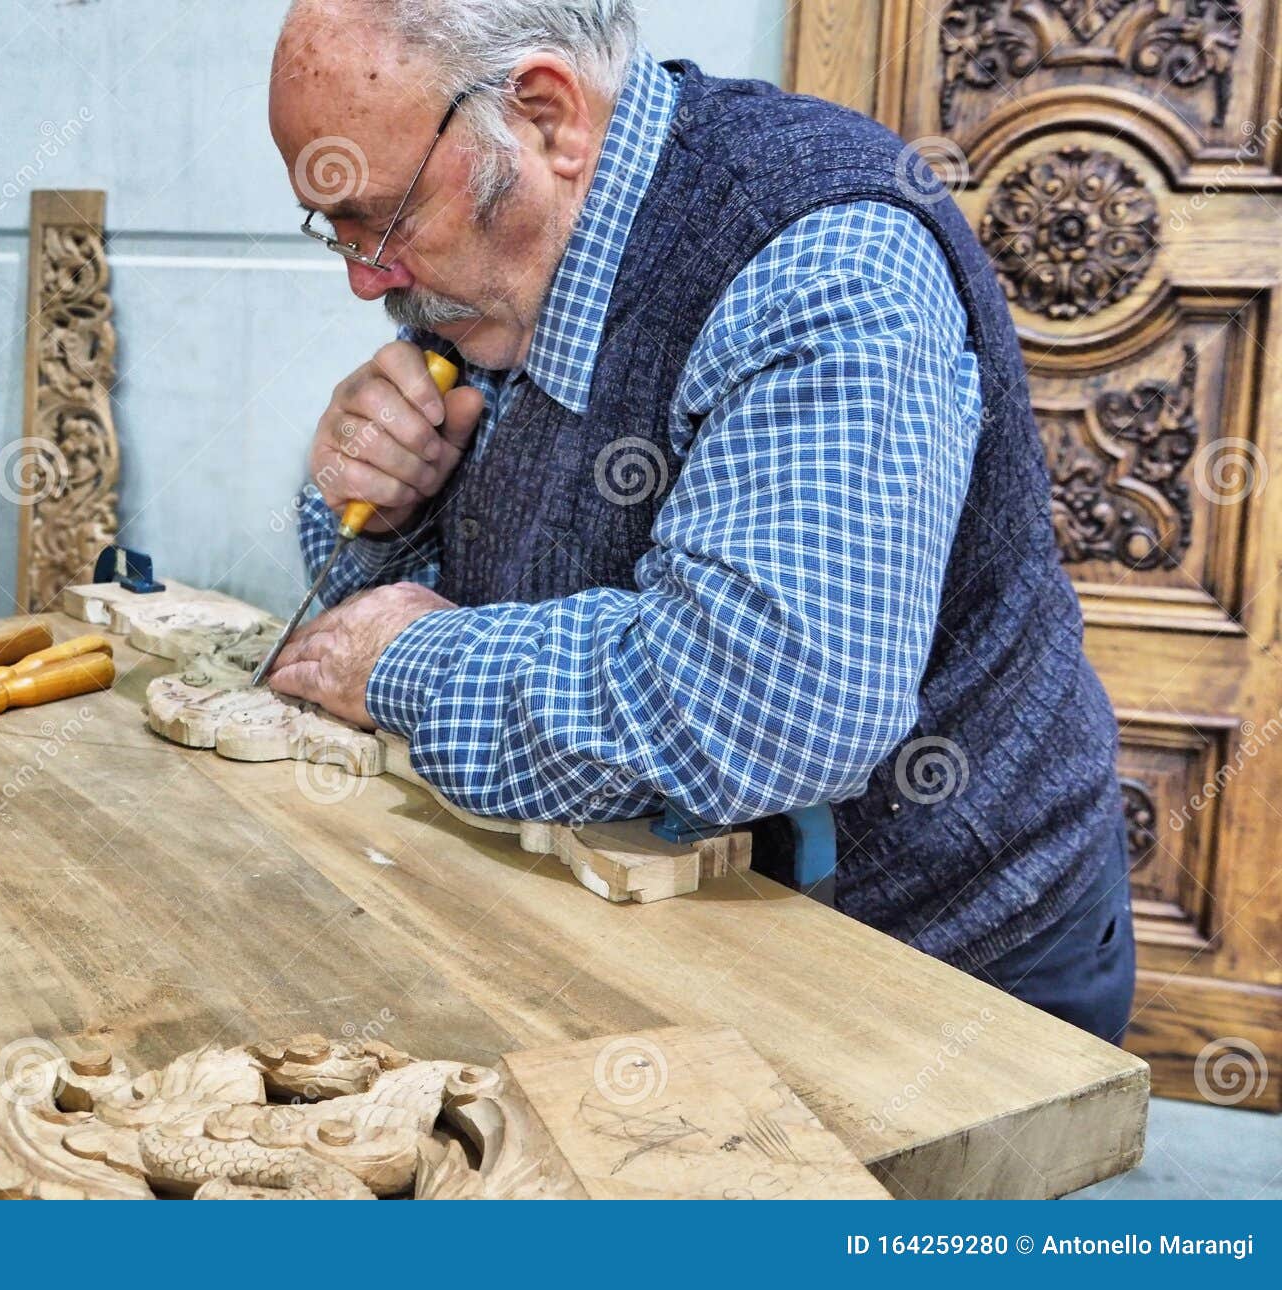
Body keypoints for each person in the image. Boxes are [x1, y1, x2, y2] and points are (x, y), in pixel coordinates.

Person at [264, 0, 1135, 1043]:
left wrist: (401, 668)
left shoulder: (823, 262)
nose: (367, 280)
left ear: (544, 116)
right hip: (660, 928)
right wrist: (383, 508)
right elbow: (400, 607)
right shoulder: (502, 271)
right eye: (337, 230)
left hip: (938, 956)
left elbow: (767, 702)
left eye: (384, 219)